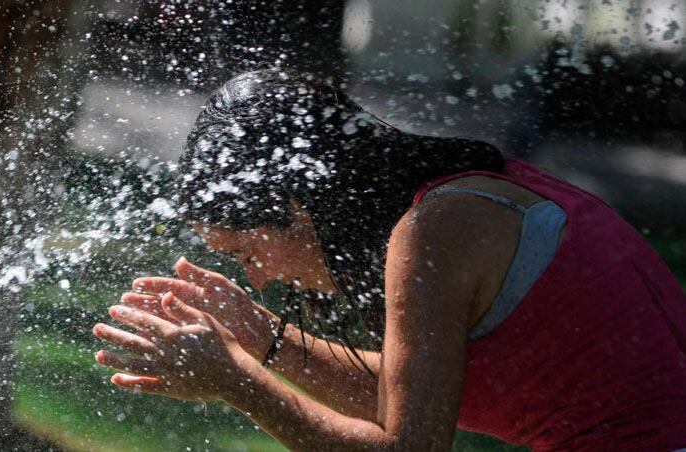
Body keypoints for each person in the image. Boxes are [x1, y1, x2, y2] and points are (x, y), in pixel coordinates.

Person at [92, 69, 686, 451]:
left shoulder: (433, 234)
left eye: (246, 251)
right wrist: (260, 333)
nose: (258, 275)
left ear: (299, 207)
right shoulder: (466, 197)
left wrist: (241, 384)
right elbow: (414, 397)